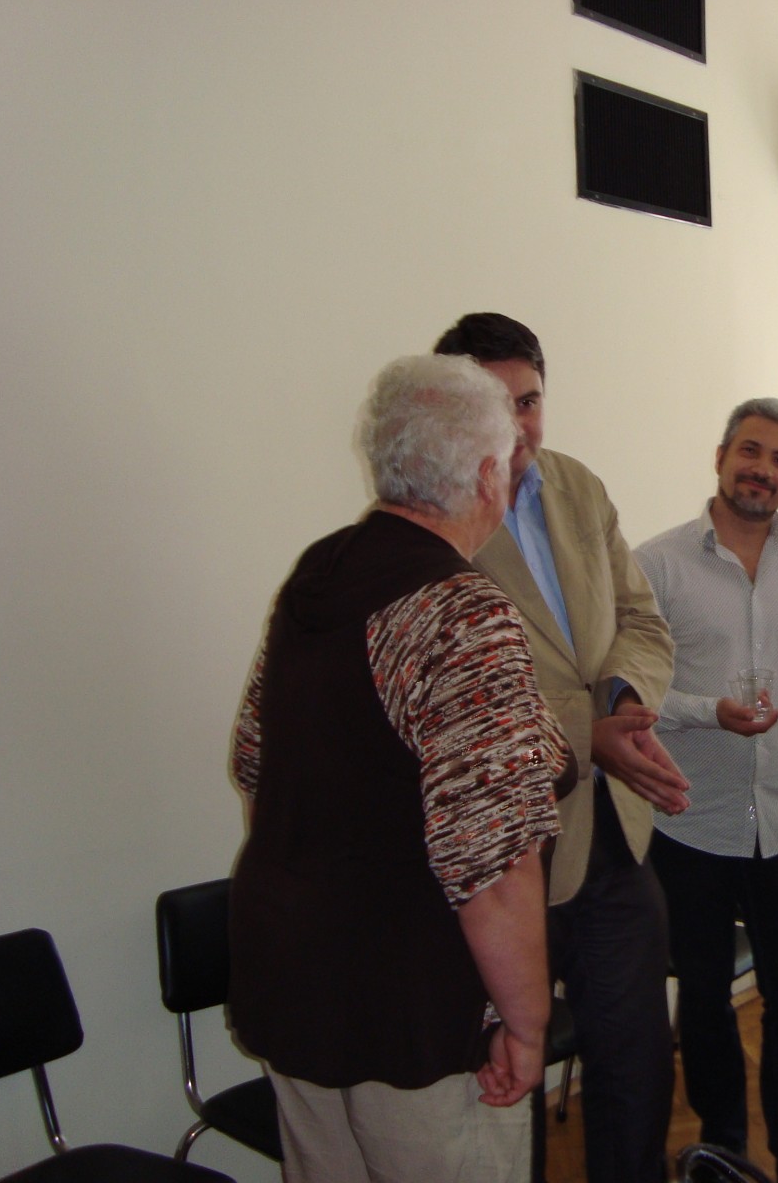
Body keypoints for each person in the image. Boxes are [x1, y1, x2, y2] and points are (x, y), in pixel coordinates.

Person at [228, 354, 570, 1182]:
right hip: (417, 1011)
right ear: (485, 475)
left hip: (296, 985)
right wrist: (528, 1026)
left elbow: (254, 765)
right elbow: (494, 864)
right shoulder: (461, 611)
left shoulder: (316, 573)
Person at [433, 313, 686, 1183]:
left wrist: (622, 701)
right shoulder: (430, 518)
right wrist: (588, 736)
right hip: (502, 854)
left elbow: (643, 621)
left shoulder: (578, 486)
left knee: (636, 1070)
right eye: (493, 405)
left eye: (530, 402)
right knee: (511, 1079)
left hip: (613, 836)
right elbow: (458, 695)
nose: (518, 427)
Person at [634, 398, 778, 1181]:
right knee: (704, 1000)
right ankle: (723, 1150)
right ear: (720, 456)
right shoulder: (657, 565)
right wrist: (709, 712)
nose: (761, 470)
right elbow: (629, 691)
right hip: (689, 823)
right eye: (750, 451)